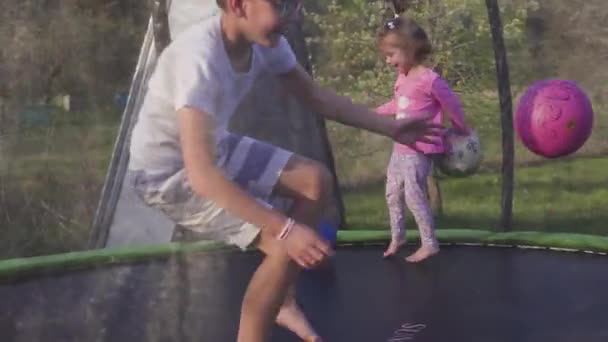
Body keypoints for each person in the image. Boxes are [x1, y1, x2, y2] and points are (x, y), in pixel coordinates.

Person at [127, 1, 443, 341]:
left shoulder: (267, 42)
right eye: (281, 3)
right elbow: (202, 174)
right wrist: (285, 229)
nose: (294, 15)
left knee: (314, 181)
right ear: (237, 5)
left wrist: (389, 127)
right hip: (169, 175)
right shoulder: (198, 59)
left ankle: (281, 299)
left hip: (214, 146)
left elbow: (315, 97)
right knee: (281, 245)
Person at [374, 14, 471, 263]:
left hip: (419, 149)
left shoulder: (430, 79)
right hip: (400, 148)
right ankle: (398, 236)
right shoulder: (402, 78)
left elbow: (452, 105)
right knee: (392, 193)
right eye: (386, 55)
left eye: (391, 54)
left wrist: (462, 129)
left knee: (413, 195)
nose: (388, 60)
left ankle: (429, 243)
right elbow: (398, 104)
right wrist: (370, 114)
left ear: (409, 48)